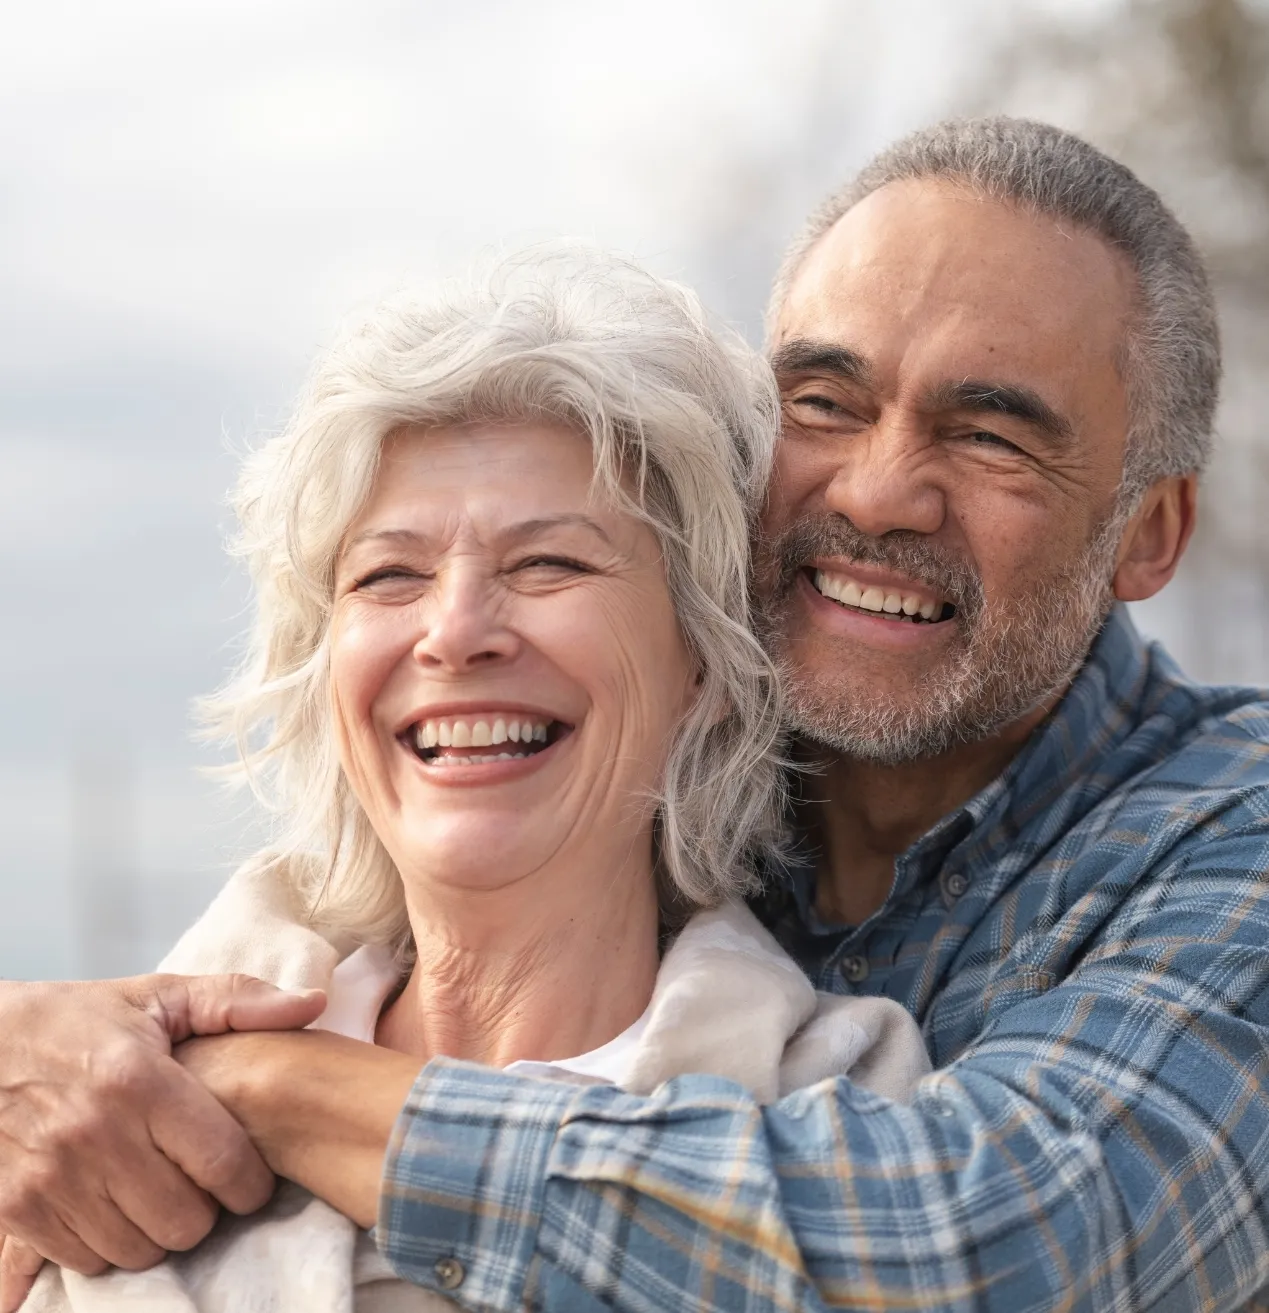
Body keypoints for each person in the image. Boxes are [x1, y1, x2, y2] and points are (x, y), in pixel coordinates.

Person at [4, 115, 1269, 1311]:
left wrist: (258, 1086)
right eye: (823, 404)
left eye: (991, 434)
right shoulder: (610, 781)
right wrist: (62, 1059)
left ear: (1147, 532)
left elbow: (1001, 1243)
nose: (882, 491)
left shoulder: (1229, 839)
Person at [11, 251, 930, 1312]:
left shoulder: (848, 1104)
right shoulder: (85, 1117)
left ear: (704, 667)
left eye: (549, 564)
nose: (453, 632)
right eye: (389, 575)